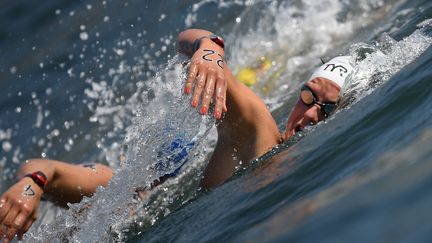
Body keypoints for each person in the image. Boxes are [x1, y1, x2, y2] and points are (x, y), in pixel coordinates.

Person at [0, 28, 353, 242]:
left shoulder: (261, 144)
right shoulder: (124, 192)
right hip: (155, 179)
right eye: (308, 95)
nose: (309, 113)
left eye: (325, 108)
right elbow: (42, 169)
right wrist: (212, 48)